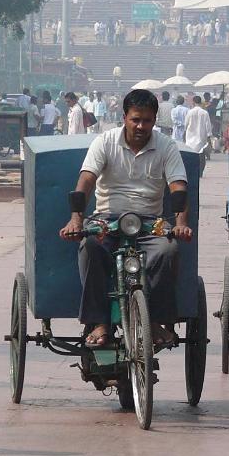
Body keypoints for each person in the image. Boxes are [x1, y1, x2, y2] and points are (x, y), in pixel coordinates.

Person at [59, 90, 192, 348]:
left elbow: (178, 187)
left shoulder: (166, 146)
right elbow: (86, 180)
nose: (141, 126)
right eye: (135, 120)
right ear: (124, 118)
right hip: (105, 219)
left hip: (149, 222)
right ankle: (99, 322)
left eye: (147, 121)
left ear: (155, 120)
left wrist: (181, 223)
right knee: (91, 248)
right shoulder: (105, 142)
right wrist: (76, 219)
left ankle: (155, 321)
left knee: (168, 251)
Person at [185, 95, 213, 177]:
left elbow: (185, 124)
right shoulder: (204, 113)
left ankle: (192, 171)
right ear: (200, 102)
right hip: (201, 137)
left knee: (191, 156)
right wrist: (209, 137)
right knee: (201, 156)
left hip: (190, 138)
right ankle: (200, 172)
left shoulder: (190, 112)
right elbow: (208, 126)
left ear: (193, 102)